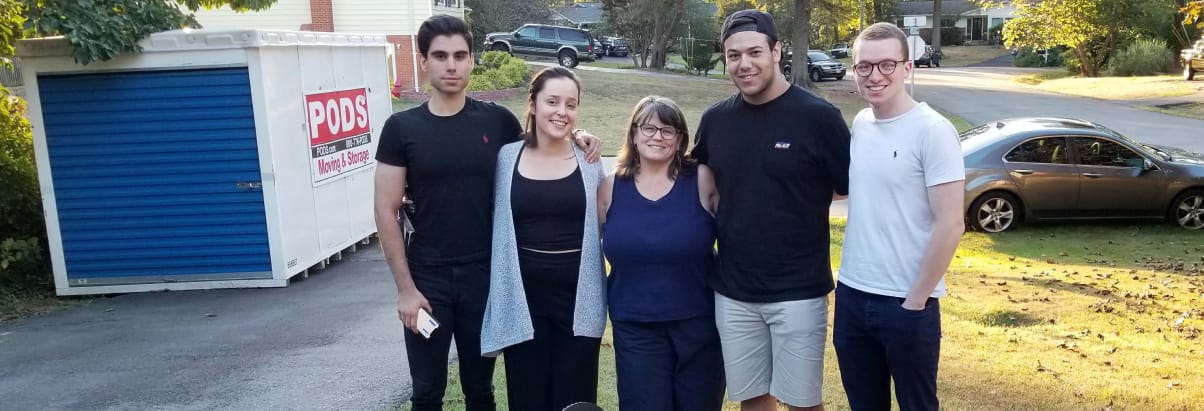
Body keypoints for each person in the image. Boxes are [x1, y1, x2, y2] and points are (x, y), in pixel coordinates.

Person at [373, 15, 599, 411]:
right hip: (428, 279)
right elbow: (385, 209)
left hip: (486, 278)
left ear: (473, 60)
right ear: (423, 60)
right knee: (426, 391)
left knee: (481, 389)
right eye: (440, 56)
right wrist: (406, 289)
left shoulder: (497, 122)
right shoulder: (401, 128)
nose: (451, 65)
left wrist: (577, 136)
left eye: (460, 55)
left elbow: (542, 145)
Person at [691, 9, 852, 411]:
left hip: (798, 292)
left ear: (777, 51)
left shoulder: (819, 118)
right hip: (733, 291)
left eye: (754, 52)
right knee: (752, 401)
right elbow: (703, 192)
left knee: (801, 403)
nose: (744, 64)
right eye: (733, 56)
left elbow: (848, 188)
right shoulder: (715, 121)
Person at [833, 22, 966, 411]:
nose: (876, 76)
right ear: (855, 70)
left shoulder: (934, 131)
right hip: (853, 295)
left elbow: (951, 223)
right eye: (865, 66)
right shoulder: (861, 125)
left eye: (887, 65)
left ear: (908, 68)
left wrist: (916, 300)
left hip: (907, 304)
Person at [480, 66, 608, 411]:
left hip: (579, 302)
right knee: (527, 397)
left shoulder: (590, 161)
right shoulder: (506, 158)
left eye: (571, 104)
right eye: (552, 101)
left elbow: (611, 220)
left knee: (576, 401)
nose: (562, 112)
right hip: (522, 300)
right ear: (533, 104)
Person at [599, 96, 725, 411]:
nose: (658, 136)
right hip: (635, 326)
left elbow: (739, 236)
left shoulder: (702, 179)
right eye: (649, 128)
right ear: (633, 133)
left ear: (681, 138)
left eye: (668, 130)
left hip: (699, 324)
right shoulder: (611, 186)